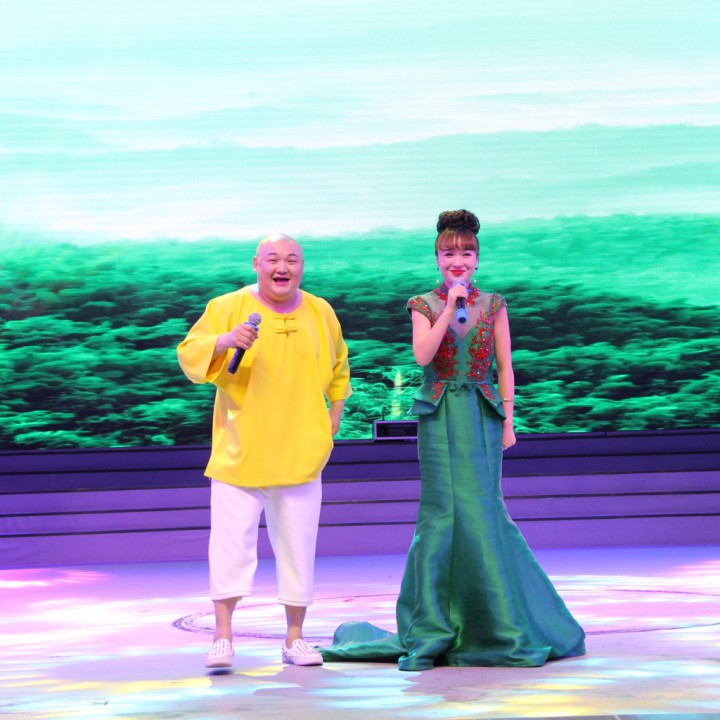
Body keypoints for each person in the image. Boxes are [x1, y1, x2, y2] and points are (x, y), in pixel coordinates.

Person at [321, 210, 585, 670]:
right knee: (442, 514)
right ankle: (434, 623)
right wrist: (448, 308)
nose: (457, 261)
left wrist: (509, 421)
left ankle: (499, 621)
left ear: (477, 259)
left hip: (482, 414)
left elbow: (505, 366)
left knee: (483, 511)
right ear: (437, 258)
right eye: (448, 253)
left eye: (465, 253)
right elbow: (423, 355)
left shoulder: (495, 305)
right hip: (439, 416)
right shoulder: (423, 304)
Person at [177, 233, 352, 670]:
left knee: (298, 547)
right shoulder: (227, 306)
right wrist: (225, 340)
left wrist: (335, 412)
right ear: (256, 263)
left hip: (302, 450)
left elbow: (339, 365)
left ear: (302, 267)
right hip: (241, 450)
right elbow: (190, 354)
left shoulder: (321, 310)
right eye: (273, 259)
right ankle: (222, 637)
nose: (282, 267)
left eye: (292, 260)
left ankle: (295, 638)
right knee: (229, 548)